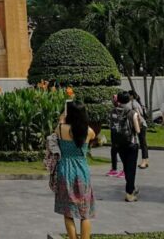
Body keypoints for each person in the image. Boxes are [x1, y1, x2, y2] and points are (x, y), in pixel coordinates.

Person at [53, 100, 95, 239]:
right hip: (82, 171)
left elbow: (55, 132)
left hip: (65, 171)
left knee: (68, 212)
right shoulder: (88, 131)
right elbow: (93, 136)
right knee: (85, 213)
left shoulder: (60, 128)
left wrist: (62, 118)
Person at [112, 91, 142, 202]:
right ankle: (129, 193)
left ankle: (132, 187)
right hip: (131, 143)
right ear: (129, 100)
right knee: (131, 169)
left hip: (119, 143)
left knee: (126, 167)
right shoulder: (131, 112)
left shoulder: (113, 111)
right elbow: (137, 130)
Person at [129, 89, 150, 169]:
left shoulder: (134, 103)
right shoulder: (136, 102)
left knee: (143, 143)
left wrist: (138, 125)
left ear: (131, 96)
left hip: (140, 125)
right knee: (143, 143)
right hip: (142, 124)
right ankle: (145, 161)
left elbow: (137, 114)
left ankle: (144, 161)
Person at [105, 95, 124, 179]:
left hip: (121, 133)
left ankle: (125, 170)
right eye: (113, 100)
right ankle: (114, 169)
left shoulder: (124, 110)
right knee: (113, 151)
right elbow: (111, 121)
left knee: (122, 151)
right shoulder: (112, 110)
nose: (114, 101)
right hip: (114, 132)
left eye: (115, 100)